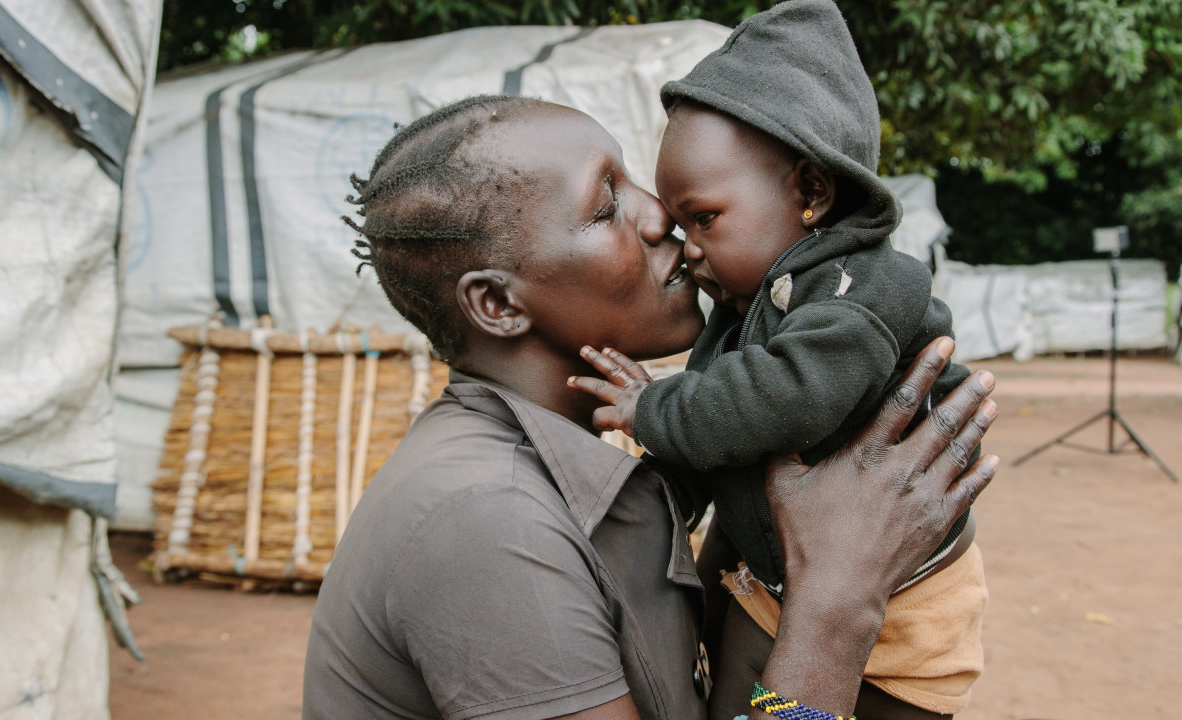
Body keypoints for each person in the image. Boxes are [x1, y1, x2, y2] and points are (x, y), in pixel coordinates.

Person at [302, 94, 998, 720]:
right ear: (499, 304)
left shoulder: (587, 469)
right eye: (605, 207)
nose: (661, 215)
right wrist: (835, 599)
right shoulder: (487, 518)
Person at [568, 2, 985, 716]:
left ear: (811, 193)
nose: (687, 247)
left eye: (705, 218)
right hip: (777, 584)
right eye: (680, 223)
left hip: (906, 606)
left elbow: (783, 397)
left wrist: (653, 408)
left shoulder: (857, 291)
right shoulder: (746, 306)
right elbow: (718, 436)